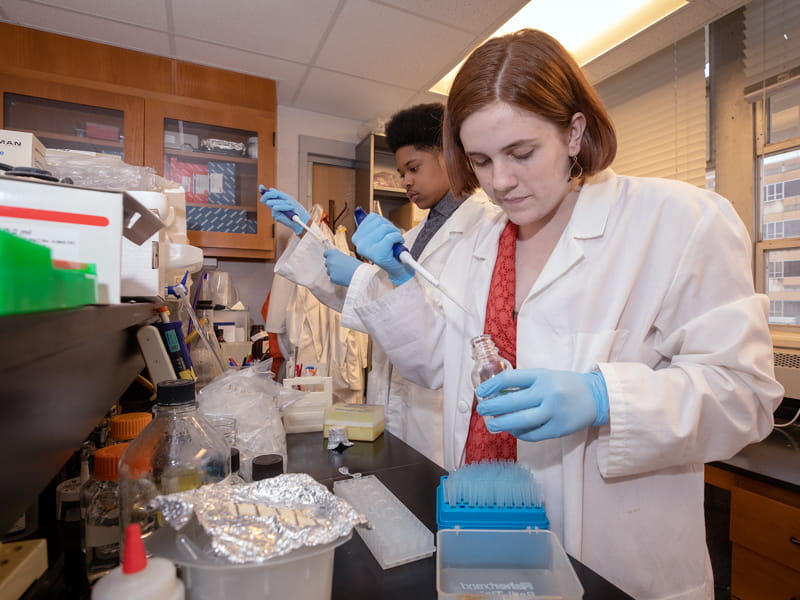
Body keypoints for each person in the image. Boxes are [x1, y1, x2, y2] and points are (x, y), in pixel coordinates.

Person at [340, 29, 783, 600]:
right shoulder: (481, 236)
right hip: (481, 526)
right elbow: (436, 365)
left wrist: (603, 398)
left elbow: (743, 394)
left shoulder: (678, 221)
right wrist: (399, 283)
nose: (499, 182)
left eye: (521, 153)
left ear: (574, 132)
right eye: (481, 160)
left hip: (613, 563)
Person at [261, 103, 497, 466]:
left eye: (414, 168)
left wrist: (369, 278)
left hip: (437, 412)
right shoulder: (418, 233)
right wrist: (305, 230)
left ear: (451, 156)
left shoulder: (488, 229)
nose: (405, 182)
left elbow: (449, 329)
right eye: (402, 172)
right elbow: (372, 305)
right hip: (397, 403)